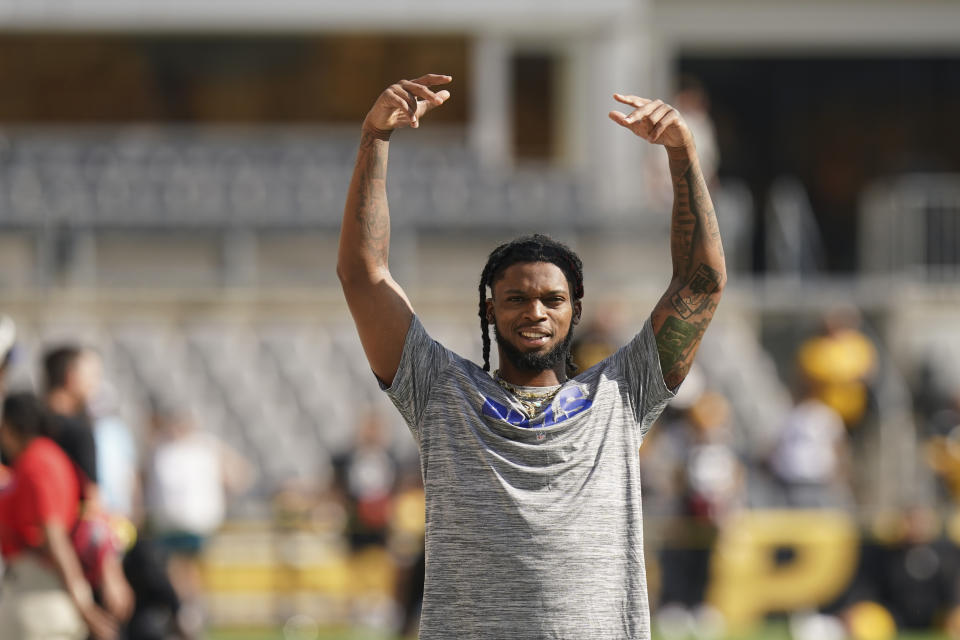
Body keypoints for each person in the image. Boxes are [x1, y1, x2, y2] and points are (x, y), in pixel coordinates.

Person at [336, 74, 726, 638]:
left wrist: (683, 154)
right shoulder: (442, 391)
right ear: (490, 310)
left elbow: (702, 284)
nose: (535, 312)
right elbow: (363, 276)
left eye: (553, 299)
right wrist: (375, 138)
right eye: (515, 298)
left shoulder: (619, 395)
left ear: (575, 310)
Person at [0, 392, 118, 640]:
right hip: (42, 588)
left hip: (40, 592)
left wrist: (83, 603)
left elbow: (53, 535)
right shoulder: (45, 457)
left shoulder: (37, 462)